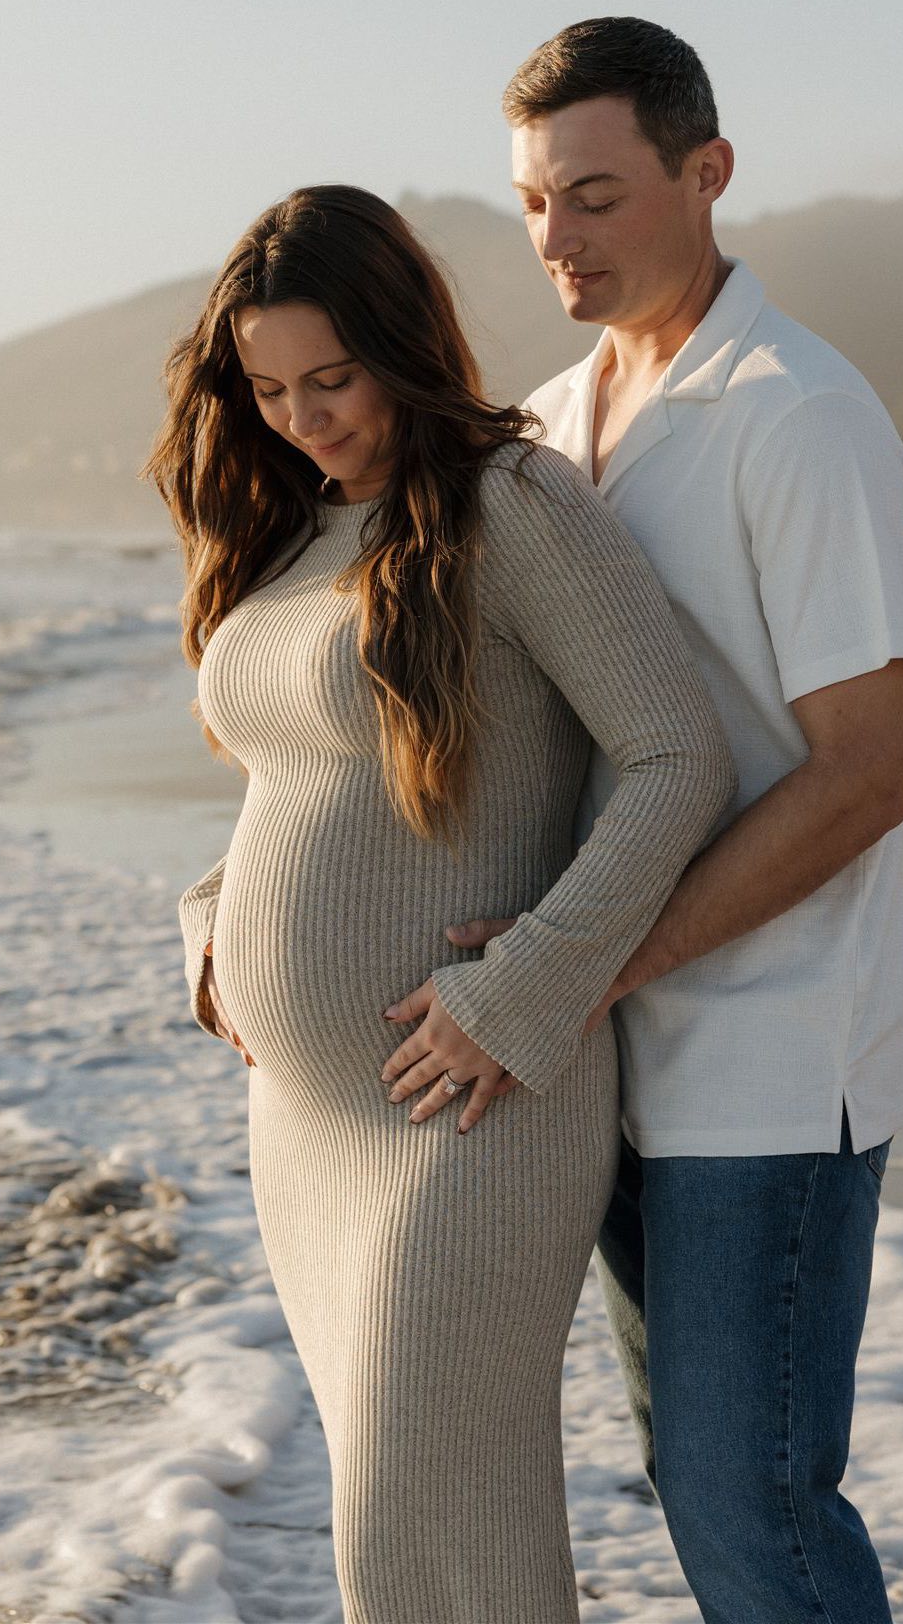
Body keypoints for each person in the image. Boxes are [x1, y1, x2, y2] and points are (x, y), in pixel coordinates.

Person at [388, 20, 903, 1623]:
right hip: (596, 1052)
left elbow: (863, 774)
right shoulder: (546, 423)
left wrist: (586, 967)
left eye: (598, 197)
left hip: (766, 1054)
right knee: (685, 1481)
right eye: (535, 204)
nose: (556, 241)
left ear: (709, 175)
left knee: (745, 1502)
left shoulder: (797, 415)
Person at [145, 184, 736, 1624]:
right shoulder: (293, 531)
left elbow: (676, 758)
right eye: (272, 388)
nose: (305, 416)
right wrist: (214, 924)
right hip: (308, 1127)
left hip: (470, 1105)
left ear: (403, 344)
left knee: (435, 1530)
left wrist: (526, 983)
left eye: (333, 378)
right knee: (392, 1533)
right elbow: (293, 776)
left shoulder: (511, 504)